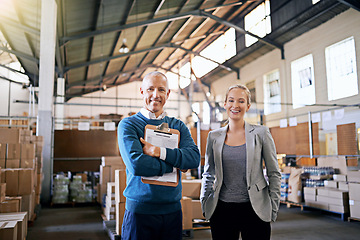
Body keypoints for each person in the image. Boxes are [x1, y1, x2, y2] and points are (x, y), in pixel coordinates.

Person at [117, 71, 200, 240]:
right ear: (142, 92)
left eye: (161, 90)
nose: (156, 95)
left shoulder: (178, 126)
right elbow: (137, 165)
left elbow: (194, 158)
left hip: (172, 212)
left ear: (168, 94)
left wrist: (158, 152)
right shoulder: (129, 125)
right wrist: (174, 164)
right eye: (150, 89)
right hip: (140, 212)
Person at [200, 84, 281, 240]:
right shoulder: (213, 136)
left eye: (241, 101)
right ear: (225, 104)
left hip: (255, 208)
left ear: (248, 106)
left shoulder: (261, 133)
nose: (235, 105)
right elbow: (208, 172)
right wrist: (205, 202)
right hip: (222, 209)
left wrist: (273, 206)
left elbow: (274, 172)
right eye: (231, 100)